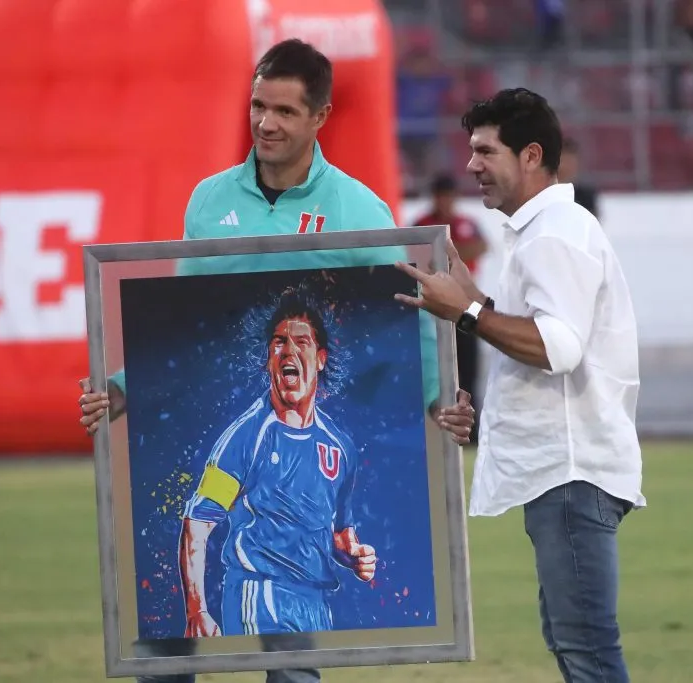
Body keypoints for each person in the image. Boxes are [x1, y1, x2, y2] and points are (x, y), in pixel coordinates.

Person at [77, 38, 476, 683]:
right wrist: (120, 389)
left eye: (285, 111)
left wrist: (439, 401)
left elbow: (410, 317)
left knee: (291, 666)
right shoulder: (208, 202)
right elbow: (174, 322)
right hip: (205, 429)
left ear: (320, 117)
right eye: (258, 106)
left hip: (296, 494)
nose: (265, 123)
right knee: (164, 649)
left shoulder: (358, 211)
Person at [394, 88, 645, 683]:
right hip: (566, 470)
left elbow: (557, 348)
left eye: (485, 151)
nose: (472, 165)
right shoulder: (544, 230)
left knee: (585, 647)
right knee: (573, 640)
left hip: (570, 471)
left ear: (530, 155)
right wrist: (475, 301)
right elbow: (536, 346)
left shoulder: (554, 232)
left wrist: (469, 313)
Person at [181, 294, 374, 638]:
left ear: (320, 360)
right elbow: (198, 522)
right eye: (279, 343)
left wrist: (355, 554)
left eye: (302, 342)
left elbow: (339, 533)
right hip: (259, 592)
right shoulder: (245, 438)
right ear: (269, 360)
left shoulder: (339, 447)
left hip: (315, 601)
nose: (289, 351)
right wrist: (197, 609)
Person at [413, 174, 488, 443]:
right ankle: (442, 423)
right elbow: (414, 255)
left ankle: (473, 430)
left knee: (468, 369)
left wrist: (443, 256)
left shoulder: (465, 223)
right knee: (437, 367)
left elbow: (481, 246)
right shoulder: (422, 224)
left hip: (465, 306)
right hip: (433, 308)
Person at [558, 137, 599, 219]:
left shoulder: (586, 196)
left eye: (572, 162)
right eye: (565, 161)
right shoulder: (545, 193)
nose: (568, 167)